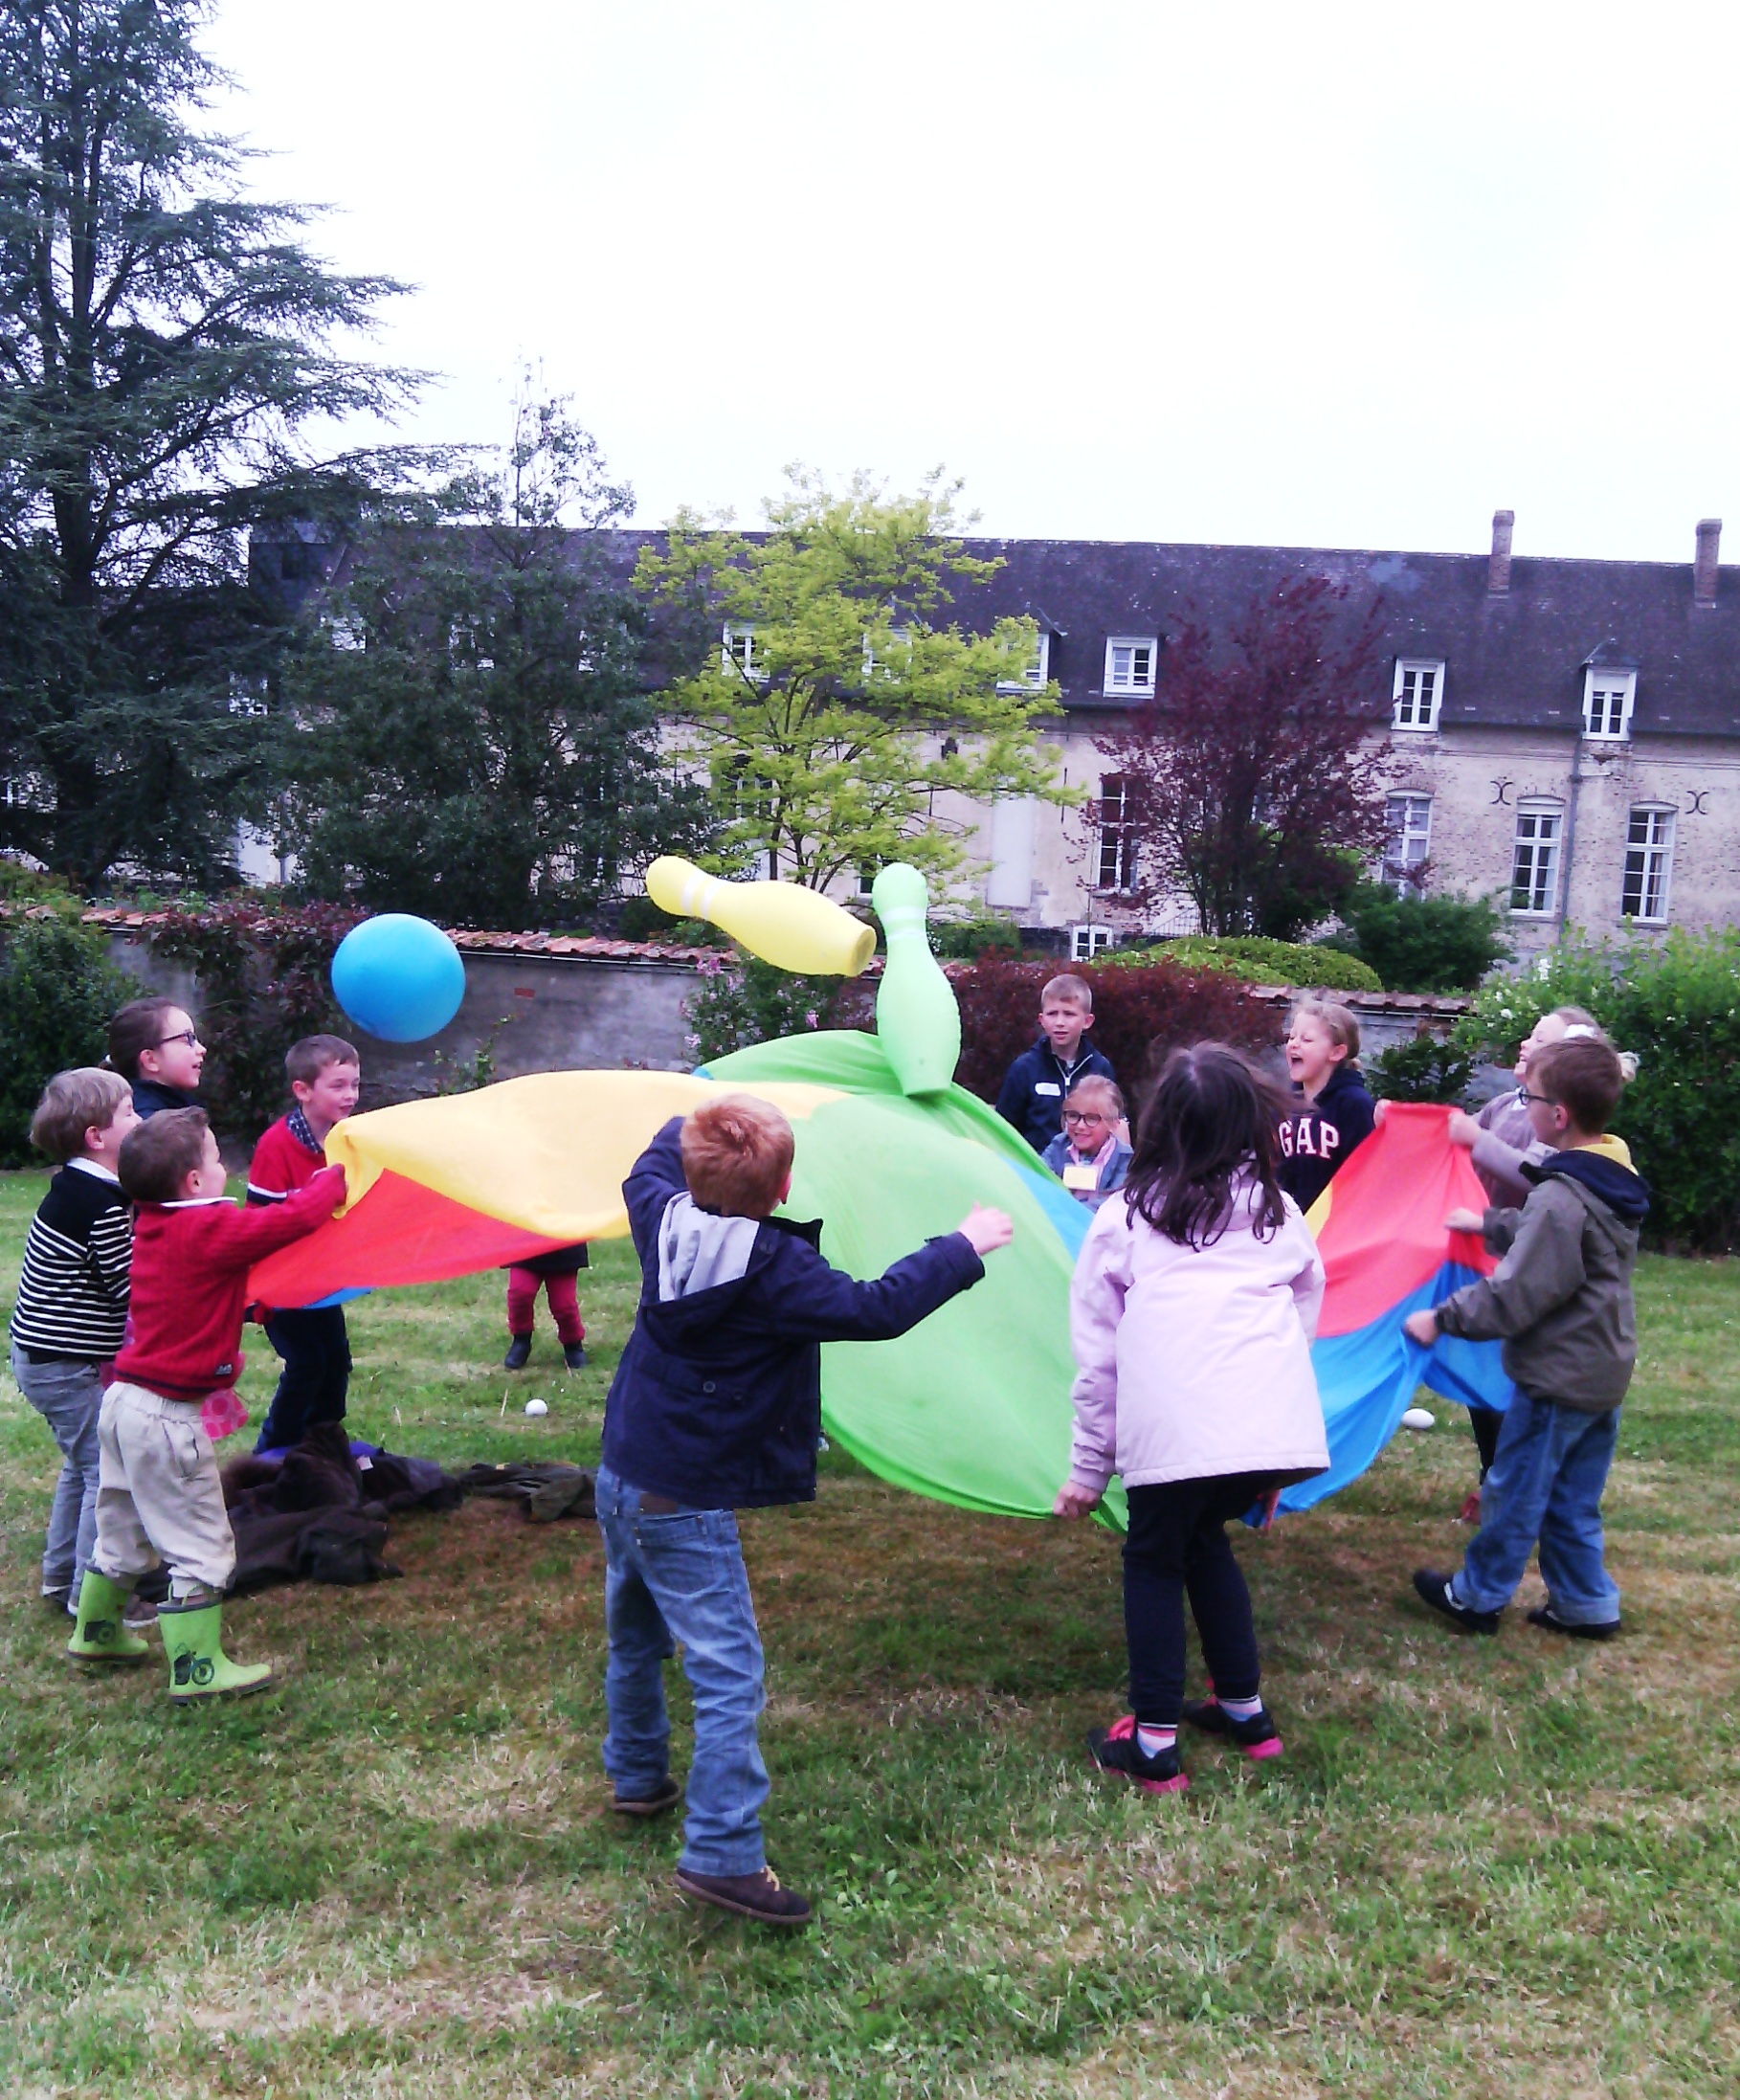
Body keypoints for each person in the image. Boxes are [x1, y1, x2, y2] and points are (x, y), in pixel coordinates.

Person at [596, 1093, 1013, 1926]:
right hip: (687, 1494)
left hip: (624, 1472)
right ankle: (721, 1854)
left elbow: (652, 1153)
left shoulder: (656, 1208)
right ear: (784, 1189)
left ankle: (638, 1779)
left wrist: (702, 1101)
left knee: (635, 1636)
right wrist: (963, 1246)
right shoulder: (773, 1269)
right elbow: (877, 1307)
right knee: (728, 1675)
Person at [1058, 1044, 1328, 1796]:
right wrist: (1268, 1425)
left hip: (1176, 1434)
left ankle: (1152, 1745)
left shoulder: (1125, 1218)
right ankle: (1245, 1711)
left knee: (1154, 1559)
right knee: (1205, 1542)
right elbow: (1307, 1299)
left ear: (1156, 1126)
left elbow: (1099, 1359)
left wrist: (1088, 1468)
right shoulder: (1277, 1213)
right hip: (1263, 1428)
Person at [66, 1106, 346, 1699]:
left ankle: (95, 1631)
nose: (226, 1169)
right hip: (165, 1417)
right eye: (218, 1159)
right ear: (194, 1182)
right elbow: (286, 1222)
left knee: (120, 1528)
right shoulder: (207, 1229)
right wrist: (332, 1183)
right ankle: (196, 1669)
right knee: (199, 1540)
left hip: (121, 1405)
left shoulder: (153, 1222)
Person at [1407, 1037, 1646, 1642]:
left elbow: (1518, 1293)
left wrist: (1442, 1318)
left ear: (1556, 1115)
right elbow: (1562, 1237)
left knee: (1513, 1492)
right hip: (1602, 1371)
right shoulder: (1611, 1174)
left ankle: (1477, 1596)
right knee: (1571, 1498)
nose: (1525, 1105)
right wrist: (1490, 1223)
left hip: (1556, 1378)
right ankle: (1587, 1604)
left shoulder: (1563, 1196)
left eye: (1530, 1098)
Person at [1443, 1005, 1608, 1519]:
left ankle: (1510, 1485)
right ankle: (1492, 1474)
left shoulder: (1564, 1127)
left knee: (1514, 1380)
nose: (1524, 1045)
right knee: (1482, 1378)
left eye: (1539, 1040)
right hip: (1485, 1256)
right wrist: (1412, 1124)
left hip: (1530, 1263)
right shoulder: (1502, 1105)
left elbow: (1542, 1171)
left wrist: (1479, 1142)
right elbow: (1459, 1142)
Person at [8, 1069, 140, 1617]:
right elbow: (131, 1285)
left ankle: (60, 1577)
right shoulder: (100, 1204)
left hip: (46, 1358)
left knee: (80, 1465)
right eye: (130, 1112)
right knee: (106, 1472)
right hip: (61, 1364)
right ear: (96, 1136)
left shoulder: (80, 1187)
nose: (141, 1120)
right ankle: (92, 1600)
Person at [246, 1035, 362, 1452]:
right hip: (282, 1282)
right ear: (303, 1090)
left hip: (322, 1281)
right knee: (307, 1363)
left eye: (355, 1085)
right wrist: (263, 1292)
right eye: (338, 1086)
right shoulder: (277, 1146)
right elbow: (261, 1224)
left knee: (336, 1362)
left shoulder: (348, 1141)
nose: (350, 1095)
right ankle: (272, 1452)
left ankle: (322, 1445)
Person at [994, 973, 1117, 1154]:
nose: (1060, 1022)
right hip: (1035, 1173)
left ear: (1087, 1021)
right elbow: (1003, 1131)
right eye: (1052, 1014)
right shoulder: (1024, 1069)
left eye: (1069, 1014)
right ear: (1042, 1020)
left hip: (1088, 1173)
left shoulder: (1100, 1069)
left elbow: (1112, 1128)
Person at [1276, 996, 1375, 1213]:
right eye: (1291, 1037)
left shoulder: (1355, 1104)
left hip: (1337, 1229)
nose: (1293, 1043)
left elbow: (1366, 1177)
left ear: (1336, 1052)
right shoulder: (1286, 1105)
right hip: (1292, 1230)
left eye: (1306, 1040)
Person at [1040, 1076, 1133, 1211]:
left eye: (1091, 1118)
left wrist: (1071, 1211)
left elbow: (1114, 1202)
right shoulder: (1058, 1146)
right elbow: (1040, 1178)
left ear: (1113, 1123)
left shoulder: (1123, 1158)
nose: (1080, 1125)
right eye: (1073, 1116)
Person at [107, 997, 205, 1117]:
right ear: (150, 1060)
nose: (202, 1050)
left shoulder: (169, 1108)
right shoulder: (152, 1126)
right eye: (188, 1039)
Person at [503, 1244, 590, 1371]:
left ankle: (573, 1345)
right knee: (520, 1294)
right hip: (525, 1245)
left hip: (563, 1248)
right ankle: (521, 1340)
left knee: (564, 1306)